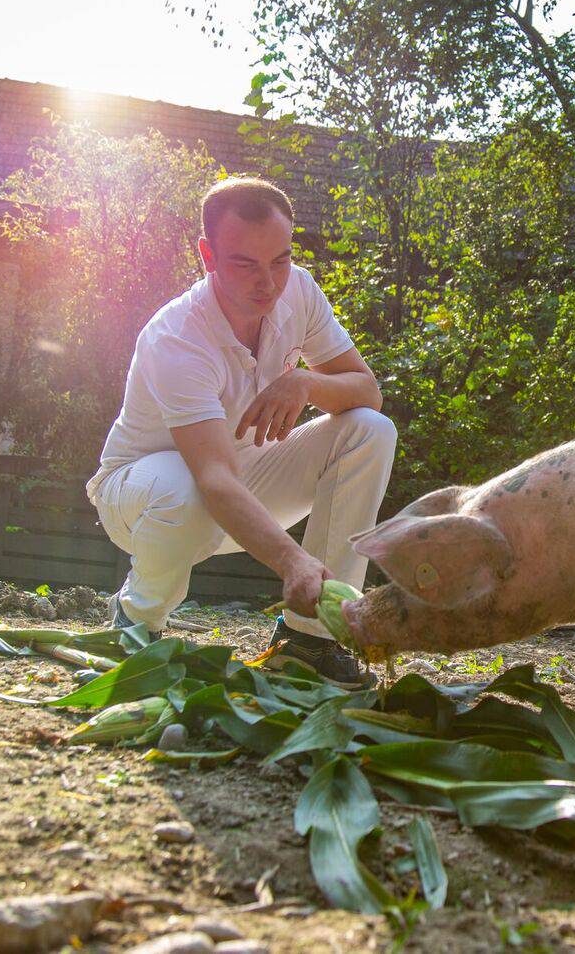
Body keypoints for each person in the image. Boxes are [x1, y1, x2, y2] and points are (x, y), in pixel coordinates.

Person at [86, 176, 396, 686]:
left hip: (240, 483)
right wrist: (292, 560)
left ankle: (307, 642)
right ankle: (136, 621)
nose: (268, 283)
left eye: (280, 260)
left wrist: (303, 382)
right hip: (144, 496)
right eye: (244, 264)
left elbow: (367, 391)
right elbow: (213, 478)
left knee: (371, 430)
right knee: (183, 486)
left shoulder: (298, 290)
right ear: (208, 256)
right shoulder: (178, 338)